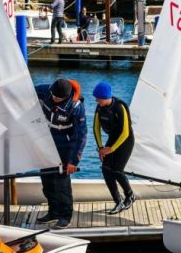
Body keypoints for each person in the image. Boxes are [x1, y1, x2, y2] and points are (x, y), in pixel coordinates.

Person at [34, 78, 87, 228]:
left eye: (58, 97)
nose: (54, 99)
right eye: (53, 96)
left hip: (66, 145)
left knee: (62, 183)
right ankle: (53, 212)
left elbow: (81, 135)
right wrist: (2, 92)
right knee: (47, 180)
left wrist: (74, 161)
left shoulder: (76, 107)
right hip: (47, 142)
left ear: (66, 97)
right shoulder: (46, 91)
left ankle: (65, 215)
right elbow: (25, 91)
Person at [92, 81, 135, 214]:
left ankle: (130, 195)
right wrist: (100, 147)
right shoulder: (99, 108)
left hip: (125, 140)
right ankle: (118, 201)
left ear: (105, 97)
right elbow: (95, 128)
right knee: (105, 169)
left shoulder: (119, 107)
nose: (96, 100)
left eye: (98, 98)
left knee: (117, 170)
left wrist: (111, 149)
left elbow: (125, 132)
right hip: (112, 139)